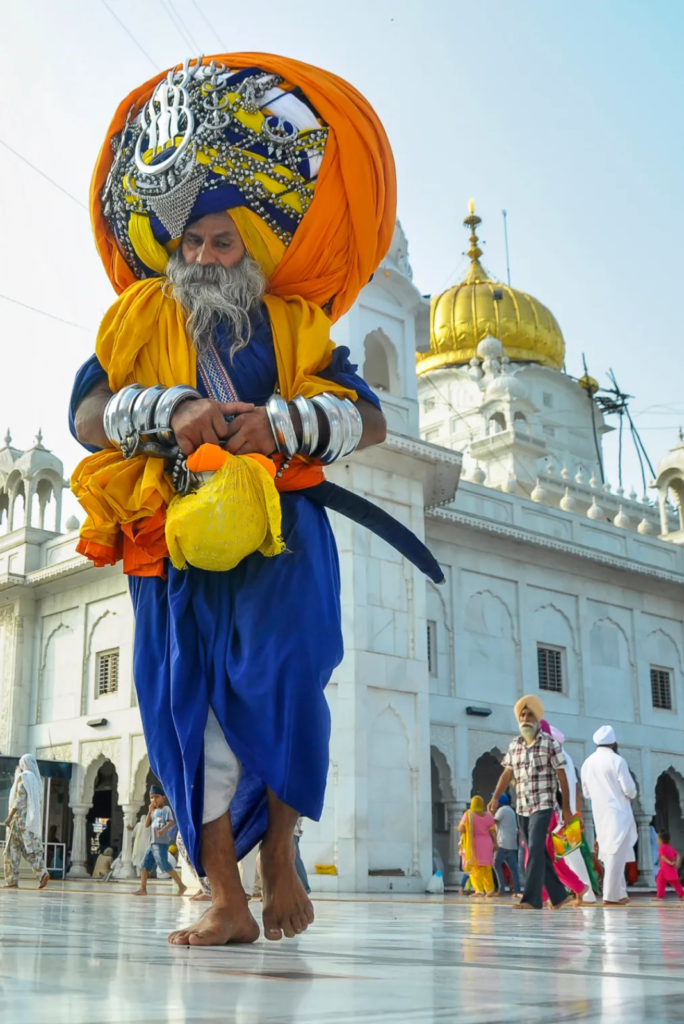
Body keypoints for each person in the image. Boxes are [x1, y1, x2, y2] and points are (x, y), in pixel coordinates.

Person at [68, 53, 405, 948]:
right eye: (194, 243)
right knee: (189, 708)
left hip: (280, 529)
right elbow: (87, 415)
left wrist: (282, 425)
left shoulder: (294, 324)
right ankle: (225, 894)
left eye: (224, 242)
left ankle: (282, 858)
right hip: (171, 528)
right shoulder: (137, 321)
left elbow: (365, 418)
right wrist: (166, 409)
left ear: (247, 250)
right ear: (175, 252)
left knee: (291, 675)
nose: (208, 255)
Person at [488, 695, 573, 911]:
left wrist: (566, 808)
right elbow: (507, 774)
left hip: (543, 804)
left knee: (535, 847)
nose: (525, 719)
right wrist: (495, 797)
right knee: (537, 851)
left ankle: (531, 899)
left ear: (537, 719)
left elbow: (562, 776)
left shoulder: (549, 743)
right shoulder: (515, 745)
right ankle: (559, 896)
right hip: (523, 806)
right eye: (522, 715)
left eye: (530, 715)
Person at [581, 725, 637, 906]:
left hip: (600, 813)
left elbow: (587, 793)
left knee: (614, 851)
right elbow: (629, 790)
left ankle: (620, 892)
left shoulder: (587, 763)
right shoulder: (617, 760)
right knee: (615, 852)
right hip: (618, 812)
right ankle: (610, 896)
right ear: (613, 743)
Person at [548, 725, 597, 903]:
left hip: (560, 813)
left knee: (568, 855)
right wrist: (578, 812)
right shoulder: (566, 757)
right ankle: (578, 892)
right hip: (568, 812)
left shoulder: (555, 756)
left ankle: (585, 893)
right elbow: (575, 786)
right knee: (566, 855)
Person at [2, 755, 49, 890]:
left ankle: (12, 881)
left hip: (18, 820)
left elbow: (20, 799)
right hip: (30, 820)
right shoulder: (35, 779)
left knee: (11, 850)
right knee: (27, 849)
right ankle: (42, 873)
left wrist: (10, 817)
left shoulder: (24, 777)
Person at [134, 787, 186, 897]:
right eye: (152, 797)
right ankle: (143, 889)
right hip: (152, 843)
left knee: (164, 865)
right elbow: (147, 825)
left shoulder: (165, 809)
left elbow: (171, 822)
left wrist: (163, 830)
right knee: (144, 866)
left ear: (163, 798)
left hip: (160, 842)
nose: (154, 800)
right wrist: (149, 811)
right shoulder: (153, 812)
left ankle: (181, 886)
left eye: (157, 797)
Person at [457, 796, 498, 896]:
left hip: (475, 844)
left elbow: (461, 829)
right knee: (487, 867)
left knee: (475, 867)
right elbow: (493, 832)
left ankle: (479, 891)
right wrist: (495, 843)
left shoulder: (468, 815)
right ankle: (490, 890)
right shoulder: (489, 816)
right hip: (487, 843)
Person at [492, 793, 521, 897]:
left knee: (496, 863)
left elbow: (492, 822)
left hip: (502, 843)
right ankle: (517, 889)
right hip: (512, 843)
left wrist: (490, 809)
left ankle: (501, 889)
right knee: (513, 868)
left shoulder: (502, 810)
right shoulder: (511, 811)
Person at [654, 831, 683, 900]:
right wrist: (676, 863)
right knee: (674, 883)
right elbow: (678, 855)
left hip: (665, 869)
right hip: (671, 869)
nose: (657, 840)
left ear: (661, 840)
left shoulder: (661, 848)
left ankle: (660, 896)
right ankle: (682, 895)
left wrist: (670, 863)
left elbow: (663, 857)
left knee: (661, 882)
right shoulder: (670, 847)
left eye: (658, 838)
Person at [293, 818, 310, 895]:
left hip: (290, 831)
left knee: (295, 859)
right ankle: (304, 887)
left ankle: (304, 887)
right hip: (291, 830)